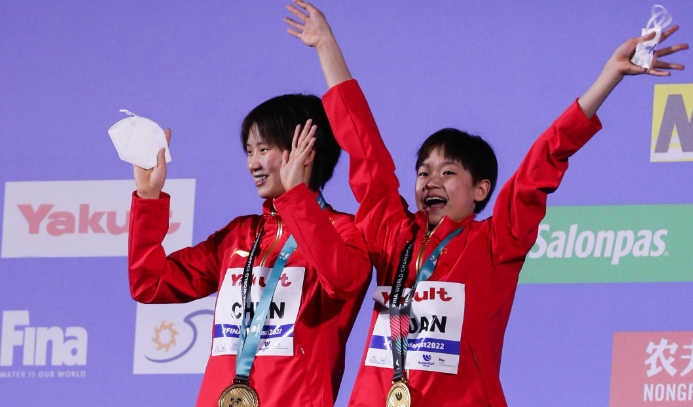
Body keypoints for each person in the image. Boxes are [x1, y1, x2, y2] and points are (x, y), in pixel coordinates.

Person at [284, 1, 689, 406]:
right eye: (423, 172)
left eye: (448, 172)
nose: (431, 181)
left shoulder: (497, 242)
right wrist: (326, 46)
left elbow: (542, 162)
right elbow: (363, 144)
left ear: (481, 189)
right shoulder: (392, 234)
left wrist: (608, 77)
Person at [127, 93, 372, 407]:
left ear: (305, 152)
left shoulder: (344, 232)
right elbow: (150, 283)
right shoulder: (240, 235)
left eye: (263, 149)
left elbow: (342, 281)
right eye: (249, 151)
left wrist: (297, 196)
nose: (252, 163)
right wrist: (149, 198)